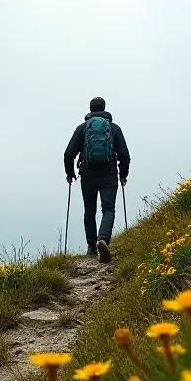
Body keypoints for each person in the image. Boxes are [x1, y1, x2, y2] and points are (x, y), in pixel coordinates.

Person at [63, 96, 131, 263]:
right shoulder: (114, 128)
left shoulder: (82, 129)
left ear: (90, 109)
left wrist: (70, 173)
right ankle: (103, 240)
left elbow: (68, 154)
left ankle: (92, 246)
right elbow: (125, 155)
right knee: (108, 209)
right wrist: (123, 174)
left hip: (88, 175)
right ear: (104, 108)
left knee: (89, 210)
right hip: (109, 174)